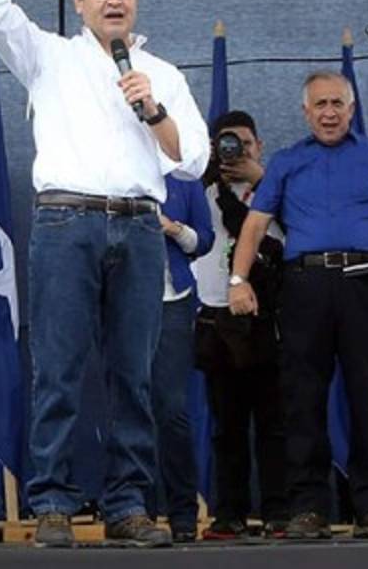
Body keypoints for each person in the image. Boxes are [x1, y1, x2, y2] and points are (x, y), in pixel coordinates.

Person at [0, 0, 209, 548]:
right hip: (65, 222)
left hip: (140, 225)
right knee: (59, 368)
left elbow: (192, 159)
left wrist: (152, 108)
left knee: (135, 375)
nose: (113, 0)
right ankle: (52, 502)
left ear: (136, 0)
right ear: (79, 2)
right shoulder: (48, 55)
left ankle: (128, 505)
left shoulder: (164, 75)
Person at [229, 72, 368, 539]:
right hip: (306, 286)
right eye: (320, 104)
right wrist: (238, 280)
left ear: (352, 109)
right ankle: (308, 507)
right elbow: (255, 226)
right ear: (306, 112)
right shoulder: (287, 161)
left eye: (337, 103)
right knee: (302, 398)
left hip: (367, 283)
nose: (329, 112)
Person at [192, 110, 288, 539]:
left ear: (259, 146)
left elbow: (299, 227)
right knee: (226, 425)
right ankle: (229, 512)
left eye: (245, 145)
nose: (237, 153)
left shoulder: (278, 189)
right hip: (217, 316)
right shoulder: (203, 191)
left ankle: (279, 511)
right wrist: (208, 172)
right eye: (227, 146)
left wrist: (262, 180)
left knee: (274, 422)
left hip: (269, 316)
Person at [149, 173, 213, 543]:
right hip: (121, 300)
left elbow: (203, 240)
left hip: (171, 299)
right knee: (127, 406)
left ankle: (183, 513)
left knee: (172, 408)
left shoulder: (183, 180)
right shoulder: (112, 171)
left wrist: (171, 228)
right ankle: (132, 509)